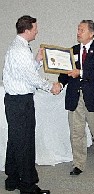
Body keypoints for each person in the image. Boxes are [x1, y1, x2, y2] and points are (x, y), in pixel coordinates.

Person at [2, 15, 59, 194]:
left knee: (15, 141)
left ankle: (12, 179)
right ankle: (28, 186)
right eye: (35, 28)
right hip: (20, 102)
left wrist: (37, 60)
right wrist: (51, 87)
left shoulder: (19, 47)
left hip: (15, 101)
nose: (37, 31)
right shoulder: (19, 49)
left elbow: (24, 74)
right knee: (24, 143)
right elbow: (31, 79)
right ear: (27, 30)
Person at [56, 20, 94, 176]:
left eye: (81, 30)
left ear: (91, 33)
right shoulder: (72, 50)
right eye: (78, 29)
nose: (78, 32)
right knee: (76, 133)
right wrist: (60, 84)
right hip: (75, 97)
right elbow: (64, 73)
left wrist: (81, 73)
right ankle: (78, 164)